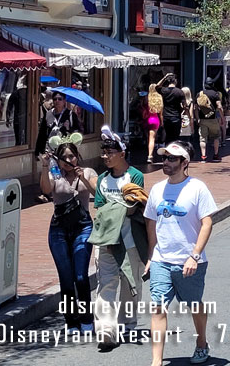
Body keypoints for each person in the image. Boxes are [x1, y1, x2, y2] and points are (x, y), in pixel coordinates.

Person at [143, 141, 217, 366]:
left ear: (185, 162)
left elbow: (207, 223)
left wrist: (194, 255)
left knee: (195, 305)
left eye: (171, 158)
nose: (165, 162)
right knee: (157, 308)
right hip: (161, 260)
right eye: (164, 157)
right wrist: (150, 256)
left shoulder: (197, 188)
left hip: (189, 261)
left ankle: (202, 343)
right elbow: (151, 224)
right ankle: (156, 361)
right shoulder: (157, 189)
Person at [90, 127, 147, 351]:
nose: (105, 157)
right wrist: (120, 207)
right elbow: (101, 210)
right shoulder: (102, 180)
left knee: (131, 283)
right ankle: (106, 329)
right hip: (106, 240)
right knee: (106, 283)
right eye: (103, 153)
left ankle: (129, 324)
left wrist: (121, 207)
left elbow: (134, 207)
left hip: (131, 240)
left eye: (109, 152)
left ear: (121, 153)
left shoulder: (134, 176)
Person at [40, 141, 96, 333]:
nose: (68, 160)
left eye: (71, 156)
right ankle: (71, 321)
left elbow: (98, 194)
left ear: (77, 156)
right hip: (59, 229)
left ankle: (86, 317)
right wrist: (44, 166)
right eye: (63, 157)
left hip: (83, 227)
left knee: (80, 276)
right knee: (66, 278)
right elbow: (46, 190)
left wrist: (84, 179)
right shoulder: (55, 174)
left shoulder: (87, 172)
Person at [196, 81, 223, 162]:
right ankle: (215, 155)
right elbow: (219, 106)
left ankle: (203, 156)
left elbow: (195, 108)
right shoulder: (215, 94)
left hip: (202, 119)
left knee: (203, 138)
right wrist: (222, 117)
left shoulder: (199, 94)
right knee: (216, 137)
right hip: (213, 119)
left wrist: (197, 118)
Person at [155, 74, 185, 144]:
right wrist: (182, 110)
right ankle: (175, 152)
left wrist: (164, 78)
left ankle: (167, 153)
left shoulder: (164, 90)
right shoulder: (179, 92)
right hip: (176, 116)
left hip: (166, 117)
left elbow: (157, 87)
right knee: (176, 137)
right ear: (175, 81)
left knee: (168, 136)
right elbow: (184, 105)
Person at [142, 89, 162, 164]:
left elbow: (143, 111)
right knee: (152, 139)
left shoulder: (146, 99)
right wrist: (162, 122)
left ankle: (146, 151)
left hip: (147, 120)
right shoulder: (159, 100)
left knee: (148, 138)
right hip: (155, 120)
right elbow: (160, 114)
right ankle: (150, 156)